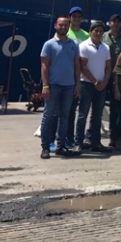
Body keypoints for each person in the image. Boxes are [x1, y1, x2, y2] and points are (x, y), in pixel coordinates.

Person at [39, 16, 81, 159]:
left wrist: (77, 84)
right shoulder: (49, 44)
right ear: (55, 26)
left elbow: (77, 65)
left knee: (65, 117)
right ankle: (45, 146)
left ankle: (61, 146)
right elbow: (44, 66)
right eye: (61, 25)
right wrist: (45, 85)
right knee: (48, 115)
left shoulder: (74, 44)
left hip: (69, 85)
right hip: (53, 85)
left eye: (65, 25)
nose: (63, 27)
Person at [75, 21, 112, 153]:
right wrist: (95, 81)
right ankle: (78, 142)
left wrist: (105, 81)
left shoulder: (105, 48)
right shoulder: (84, 46)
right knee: (82, 115)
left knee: (97, 115)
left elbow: (108, 66)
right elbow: (82, 66)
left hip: (101, 85)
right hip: (87, 84)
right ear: (91, 31)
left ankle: (95, 142)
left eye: (101, 31)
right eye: (96, 30)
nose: (98, 33)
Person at [103, 14, 121, 148]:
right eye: (114, 21)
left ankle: (114, 138)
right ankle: (91, 137)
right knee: (98, 108)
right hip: (103, 76)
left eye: (119, 22)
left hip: (118, 77)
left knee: (116, 109)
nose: (116, 24)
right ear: (109, 23)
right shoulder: (103, 36)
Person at [65, 5, 89, 148]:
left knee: (78, 111)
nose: (76, 19)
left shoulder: (86, 35)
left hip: (81, 78)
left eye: (79, 17)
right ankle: (65, 137)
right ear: (70, 18)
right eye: (74, 16)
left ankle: (75, 138)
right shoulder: (64, 33)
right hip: (67, 76)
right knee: (67, 111)